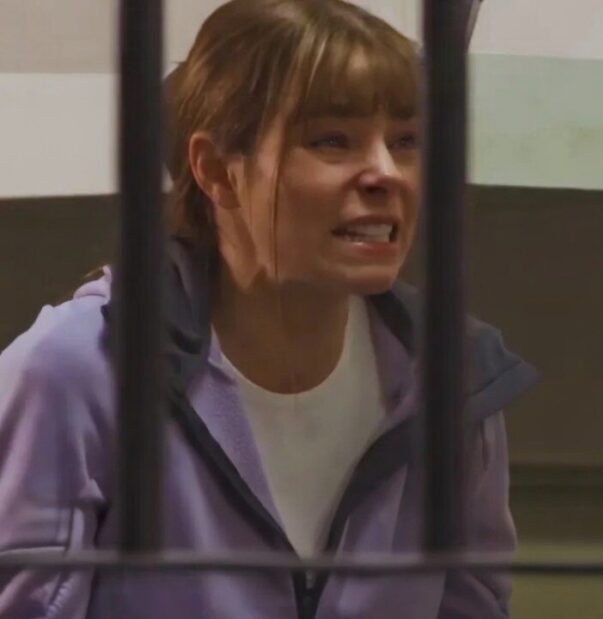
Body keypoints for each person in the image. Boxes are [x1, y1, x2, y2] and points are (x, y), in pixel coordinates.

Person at [0, 1, 536, 617]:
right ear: (216, 172)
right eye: (332, 141)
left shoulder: (453, 380)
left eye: (407, 142)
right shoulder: (77, 370)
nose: (386, 173)